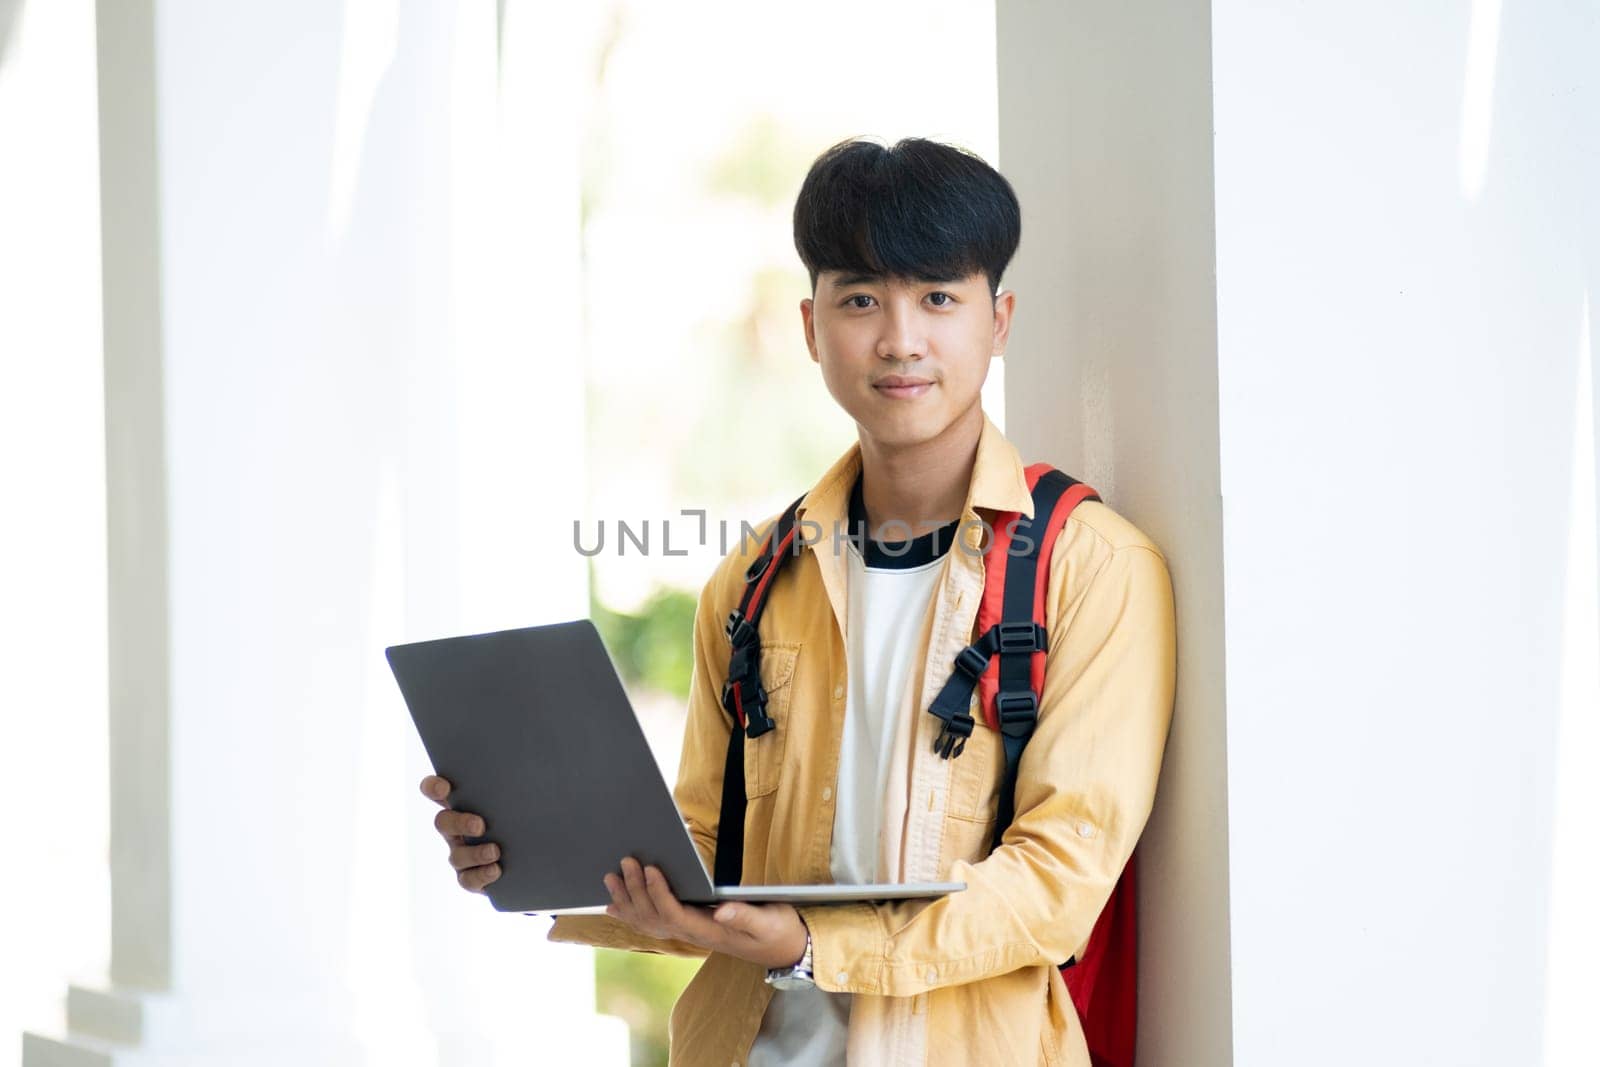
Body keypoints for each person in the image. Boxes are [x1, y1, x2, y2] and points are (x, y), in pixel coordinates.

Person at [420, 135, 1177, 1066]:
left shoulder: (1091, 567)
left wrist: (814, 946)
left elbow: (1057, 882)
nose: (900, 338)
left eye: (939, 297)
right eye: (861, 299)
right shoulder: (750, 583)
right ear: (814, 328)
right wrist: (538, 847)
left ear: (1000, 319)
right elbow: (702, 844)